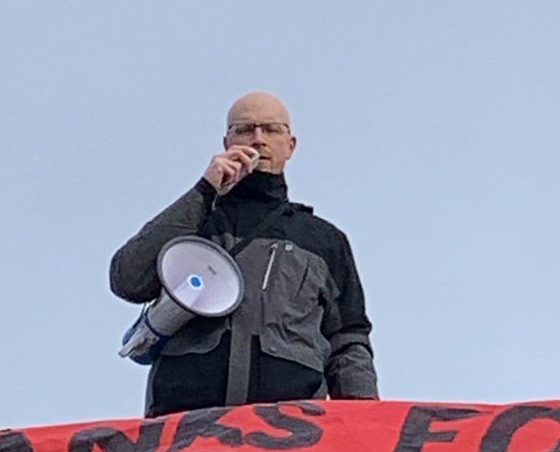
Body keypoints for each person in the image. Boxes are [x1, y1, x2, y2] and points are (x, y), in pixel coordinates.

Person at [110, 92, 379, 416]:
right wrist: (204, 190)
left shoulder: (323, 240)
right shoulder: (195, 221)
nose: (258, 139)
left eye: (271, 129)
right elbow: (128, 279)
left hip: (292, 430)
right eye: (245, 129)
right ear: (227, 142)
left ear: (290, 145)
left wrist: (367, 429)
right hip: (186, 428)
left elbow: (348, 344)